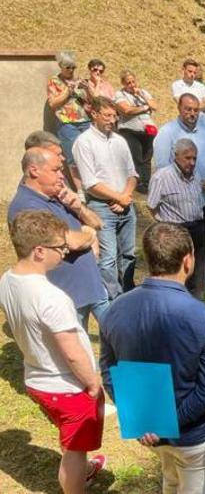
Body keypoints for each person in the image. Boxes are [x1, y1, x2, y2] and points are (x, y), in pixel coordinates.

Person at [100, 222, 205, 494]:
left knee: (170, 480)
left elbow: (109, 373)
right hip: (194, 437)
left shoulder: (114, 309)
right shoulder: (204, 318)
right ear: (188, 261)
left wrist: (145, 421)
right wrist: (163, 424)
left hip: (151, 433)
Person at [0, 210, 107, 494]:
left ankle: (81, 469)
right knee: (75, 449)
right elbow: (72, 353)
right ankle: (76, 481)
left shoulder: (7, 280)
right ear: (38, 251)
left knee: (69, 437)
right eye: (59, 247)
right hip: (66, 385)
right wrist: (92, 382)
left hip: (36, 378)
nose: (64, 252)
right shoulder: (51, 297)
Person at [10, 144, 107, 329]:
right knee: (79, 351)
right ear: (34, 170)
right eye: (55, 170)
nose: (61, 176)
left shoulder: (58, 195)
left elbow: (97, 223)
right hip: (68, 295)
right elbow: (68, 241)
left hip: (93, 285)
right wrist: (89, 235)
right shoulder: (26, 206)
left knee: (123, 340)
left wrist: (78, 207)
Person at [73, 96, 138, 300]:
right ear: (94, 114)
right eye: (107, 115)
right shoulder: (83, 143)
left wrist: (125, 197)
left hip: (126, 205)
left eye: (114, 115)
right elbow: (91, 183)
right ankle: (114, 298)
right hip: (101, 207)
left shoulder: (120, 141)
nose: (112, 119)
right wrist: (118, 197)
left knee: (129, 254)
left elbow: (132, 174)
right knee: (108, 258)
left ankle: (129, 292)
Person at [153, 93, 205, 274]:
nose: (192, 113)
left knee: (203, 238)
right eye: (188, 109)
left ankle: (202, 274)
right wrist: (186, 185)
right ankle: (179, 275)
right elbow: (163, 168)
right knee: (180, 242)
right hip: (179, 203)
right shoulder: (167, 132)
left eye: (195, 110)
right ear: (179, 108)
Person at [147, 138, 205, 298]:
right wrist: (165, 226)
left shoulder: (196, 175)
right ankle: (176, 300)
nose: (192, 162)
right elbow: (152, 206)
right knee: (177, 270)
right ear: (176, 156)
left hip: (197, 227)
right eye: (187, 158)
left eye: (195, 158)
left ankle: (196, 301)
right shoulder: (161, 177)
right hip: (176, 230)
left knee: (198, 269)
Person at [47, 52, 92, 194]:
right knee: (73, 159)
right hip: (67, 123)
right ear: (60, 66)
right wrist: (68, 90)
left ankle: (92, 187)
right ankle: (80, 191)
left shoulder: (79, 79)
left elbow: (90, 102)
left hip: (85, 121)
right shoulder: (54, 81)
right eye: (68, 67)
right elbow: (53, 104)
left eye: (73, 67)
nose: (71, 70)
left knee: (90, 155)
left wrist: (87, 89)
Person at [114, 70, 158, 192]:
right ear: (123, 83)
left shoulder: (143, 92)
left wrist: (143, 97)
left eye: (133, 82)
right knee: (137, 156)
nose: (132, 85)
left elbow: (155, 106)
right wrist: (145, 107)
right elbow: (127, 110)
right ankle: (138, 184)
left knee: (147, 156)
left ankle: (146, 183)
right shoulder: (119, 95)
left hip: (147, 129)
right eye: (128, 83)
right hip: (130, 129)